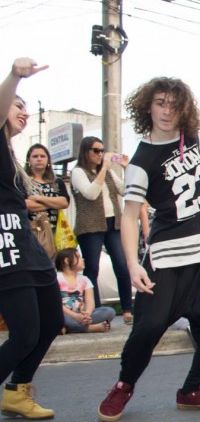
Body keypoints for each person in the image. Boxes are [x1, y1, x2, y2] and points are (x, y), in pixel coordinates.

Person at [96, 76, 200, 422]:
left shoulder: (190, 140)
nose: (166, 111)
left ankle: (192, 389)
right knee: (148, 328)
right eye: (160, 103)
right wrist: (132, 264)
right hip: (167, 258)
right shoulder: (141, 161)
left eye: (173, 104)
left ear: (183, 109)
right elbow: (129, 215)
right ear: (147, 108)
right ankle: (124, 385)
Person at [0, 57, 61, 422]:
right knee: (24, 333)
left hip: (26, 243)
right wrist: (14, 77)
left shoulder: (9, 153)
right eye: (16, 105)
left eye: (25, 105)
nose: (23, 111)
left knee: (51, 321)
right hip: (4, 246)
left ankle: (17, 391)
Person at [70, 136, 134, 323]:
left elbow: (125, 190)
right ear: (86, 152)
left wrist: (126, 168)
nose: (100, 154)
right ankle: (97, 310)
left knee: (121, 265)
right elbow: (90, 193)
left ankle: (127, 308)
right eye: (96, 150)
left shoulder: (107, 172)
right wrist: (105, 168)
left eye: (102, 151)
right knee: (92, 269)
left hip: (113, 223)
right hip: (90, 225)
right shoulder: (78, 172)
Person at [24, 143, 70, 258]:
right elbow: (25, 204)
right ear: (29, 160)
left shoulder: (57, 181)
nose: (39, 159)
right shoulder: (23, 180)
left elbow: (64, 202)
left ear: (48, 160)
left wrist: (38, 198)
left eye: (42, 156)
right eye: (35, 156)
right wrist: (54, 203)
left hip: (56, 231)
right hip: (33, 230)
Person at [54, 248, 116, 333]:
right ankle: (91, 328)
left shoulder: (85, 279)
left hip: (81, 315)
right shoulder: (56, 278)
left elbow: (90, 302)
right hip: (65, 314)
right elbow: (55, 304)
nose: (82, 259)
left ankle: (68, 328)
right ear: (67, 261)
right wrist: (75, 316)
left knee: (109, 311)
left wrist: (87, 314)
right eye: (78, 257)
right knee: (57, 316)